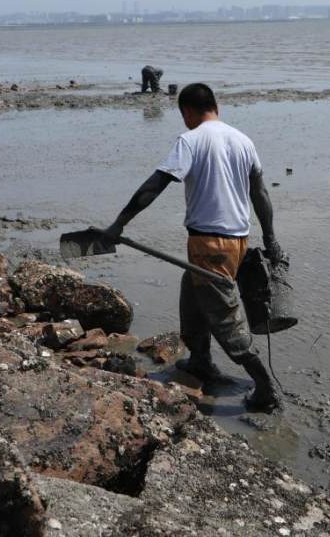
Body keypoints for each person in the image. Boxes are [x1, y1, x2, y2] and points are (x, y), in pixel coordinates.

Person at [105, 83, 285, 412]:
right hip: (236, 242)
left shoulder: (191, 140)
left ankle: (265, 386)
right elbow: (260, 194)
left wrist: (120, 222)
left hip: (209, 244)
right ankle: (201, 360)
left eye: (183, 115)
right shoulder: (243, 140)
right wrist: (271, 239)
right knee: (192, 299)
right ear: (216, 105)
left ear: (187, 111)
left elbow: (157, 183)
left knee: (226, 319)